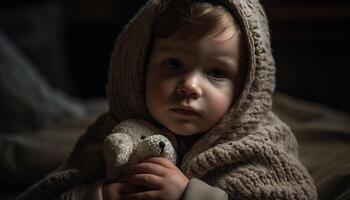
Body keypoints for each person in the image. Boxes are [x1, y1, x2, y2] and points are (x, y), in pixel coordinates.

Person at [18, 0, 318, 199]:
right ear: (137, 68)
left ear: (245, 88)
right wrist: (100, 194)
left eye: (216, 72)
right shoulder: (111, 132)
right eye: (173, 64)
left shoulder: (261, 146)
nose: (189, 86)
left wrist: (189, 195)